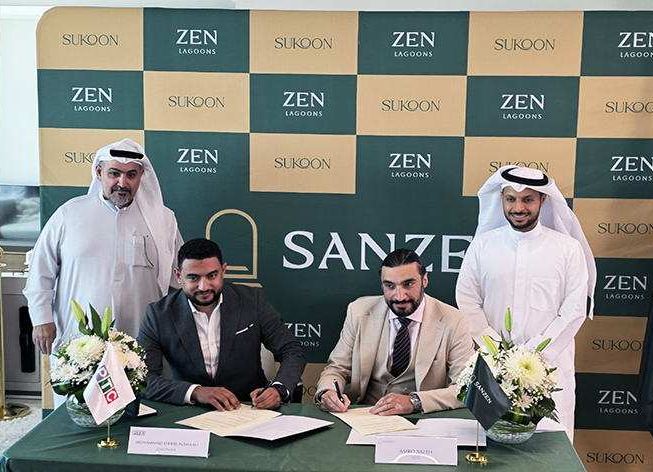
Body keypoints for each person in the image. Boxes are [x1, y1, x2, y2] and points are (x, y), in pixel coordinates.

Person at [455, 165, 597, 439]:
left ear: (543, 200)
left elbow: (574, 310)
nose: (518, 207)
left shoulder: (568, 249)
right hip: (493, 368)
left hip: (550, 369)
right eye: (511, 199)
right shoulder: (483, 246)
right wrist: (498, 351)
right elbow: (468, 300)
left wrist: (536, 355)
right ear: (501, 199)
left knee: (550, 448)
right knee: (490, 446)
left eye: (527, 199)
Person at [24, 138, 183, 355]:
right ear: (99, 173)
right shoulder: (69, 214)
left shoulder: (163, 220)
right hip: (79, 342)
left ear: (142, 176)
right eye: (114, 173)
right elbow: (40, 271)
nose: (122, 183)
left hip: (142, 339)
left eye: (131, 175)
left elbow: (180, 280)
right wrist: (41, 319)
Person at [138, 238, 306, 411]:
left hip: (249, 407)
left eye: (212, 276)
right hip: (189, 411)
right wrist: (195, 391)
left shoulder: (252, 301)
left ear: (223, 270)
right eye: (193, 278)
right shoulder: (158, 315)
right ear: (178, 276)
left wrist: (278, 388)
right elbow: (142, 379)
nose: (204, 287)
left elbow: (291, 350)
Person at [316, 249, 474, 415]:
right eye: (390, 286)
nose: (400, 296)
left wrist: (415, 402)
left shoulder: (454, 321)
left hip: (423, 418)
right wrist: (327, 391)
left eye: (408, 284)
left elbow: (465, 388)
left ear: (424, 280)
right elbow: (337, 368)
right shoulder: (358, 312)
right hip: (365, 415)